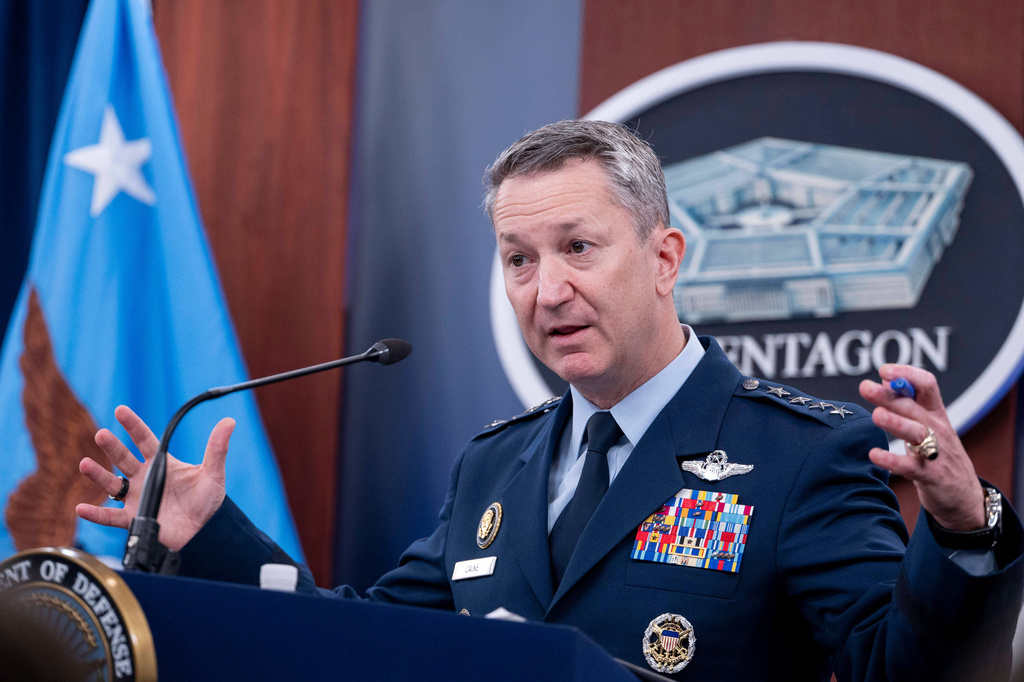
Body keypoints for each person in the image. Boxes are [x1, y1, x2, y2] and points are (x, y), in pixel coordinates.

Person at [77, 120, 1023, 680]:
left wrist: (966, 530)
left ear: (663, 258)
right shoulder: (497, 461)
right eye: (519, 260)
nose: (546, 289)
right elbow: (370, 639)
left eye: (578, 248)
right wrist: (212, 535)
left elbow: (892, 666)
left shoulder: (801, 452)